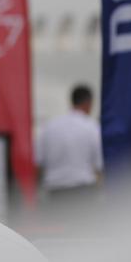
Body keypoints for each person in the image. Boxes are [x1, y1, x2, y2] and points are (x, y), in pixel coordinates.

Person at [35, 84, 103, 218]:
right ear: (88, 103)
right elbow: (99, 166)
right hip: (83, 192)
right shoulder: (92, 127)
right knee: (81, 235)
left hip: (55, 192)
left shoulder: (50, 126)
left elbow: (38, 164)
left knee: (57, 235)